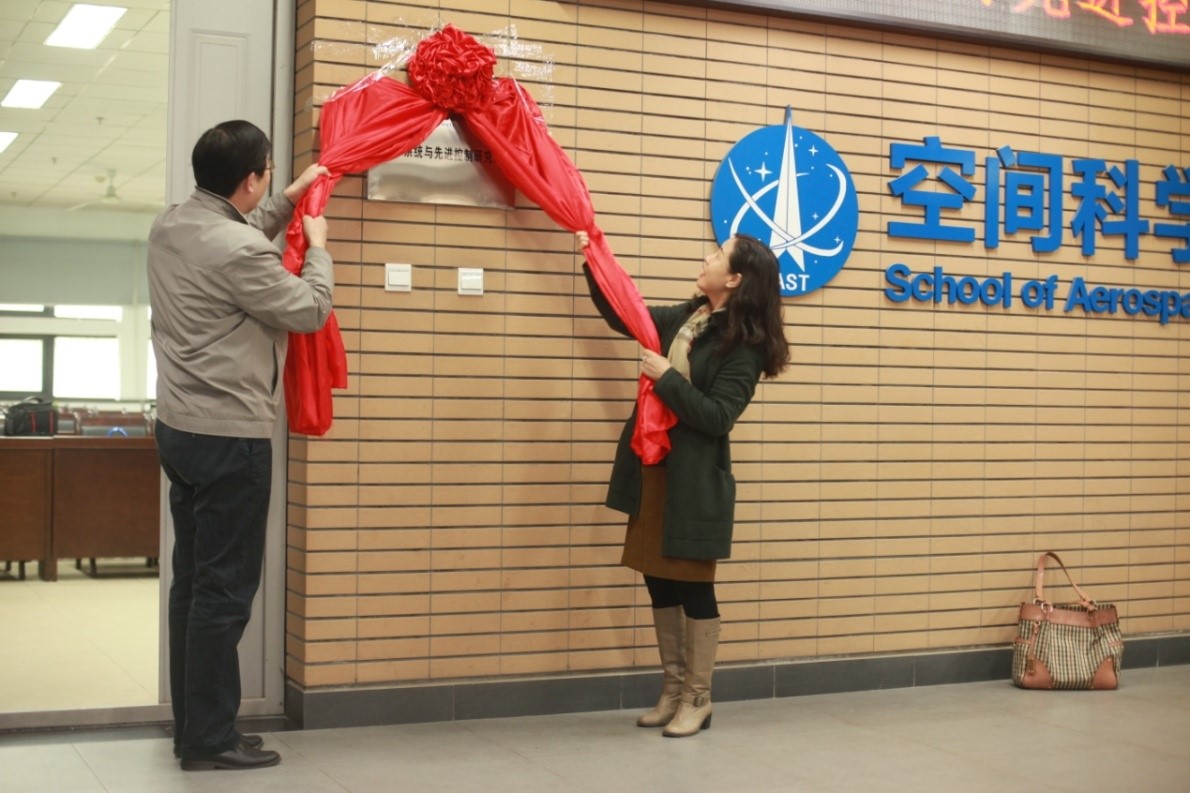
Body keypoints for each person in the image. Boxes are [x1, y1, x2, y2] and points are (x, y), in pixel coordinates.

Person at [148, 120, 333, 770]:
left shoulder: (172, 225)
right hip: (230, 438)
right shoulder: (240, 250)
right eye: (268, 172)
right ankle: (209, 740)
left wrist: (287, 197)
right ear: (249, 178)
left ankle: (197, 726)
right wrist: (318, 249)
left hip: (180, 429)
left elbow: (237, 238)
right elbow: (308, 309)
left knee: (194, 584)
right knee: (225, 593)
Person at [576, 230, 789, 737]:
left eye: (717, 256)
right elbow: (625, 314)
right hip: (655, 469)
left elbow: (718, 417)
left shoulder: (745, 346)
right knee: (658, 579)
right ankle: (672, 691)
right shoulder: (689, 317)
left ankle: (698, 697)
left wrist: (666, 377)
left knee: (694, 588)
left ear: (734, 279)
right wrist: (592, 259)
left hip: (694, 482)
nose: (706, 259)